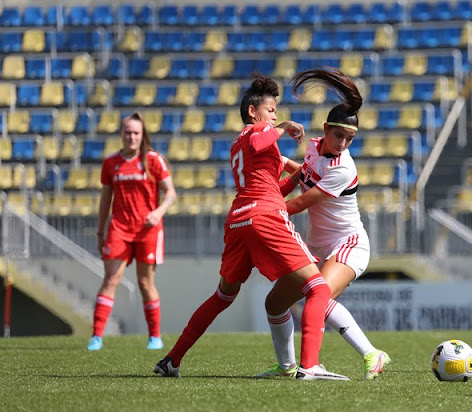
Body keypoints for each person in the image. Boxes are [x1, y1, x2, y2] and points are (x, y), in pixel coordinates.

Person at [154, 73, 349, 380]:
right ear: (253, 112)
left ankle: (172, 359)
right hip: (264, 216)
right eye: (271, 110)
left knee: (222, 296)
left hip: (239, 220)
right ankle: (309, 366)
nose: (275, 115)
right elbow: (261, 139)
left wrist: (299, 177)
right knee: (318, 286)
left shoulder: (239, 146)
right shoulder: (257, 132)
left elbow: (271, 187)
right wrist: (282, 127)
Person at [256, 67, 391, 380]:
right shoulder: (315, 147)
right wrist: (270, 188)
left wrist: (266, 215)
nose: (343, 143)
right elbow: (300, 175)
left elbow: (303, 203)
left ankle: (370, 356)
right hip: (317, 245)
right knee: (275, 303)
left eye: (350, 138)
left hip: (348, 244)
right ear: (325, 129)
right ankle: (286, 367)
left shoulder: (343, 168)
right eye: (339, 135)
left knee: (321, 297)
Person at [88, 111, 176, 351]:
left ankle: (154, 337)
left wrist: (158, 212)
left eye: (136, 133)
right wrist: (100, 231)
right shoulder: (110, 163)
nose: (131, 137)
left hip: (148, 230)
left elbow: (170, 193)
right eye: (127, 132)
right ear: (121, 134)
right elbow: (105, 200)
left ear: (142, 135)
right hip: (119, 229)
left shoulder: (154, 160)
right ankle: (96, 336)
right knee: (110, 279)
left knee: (145, 282)